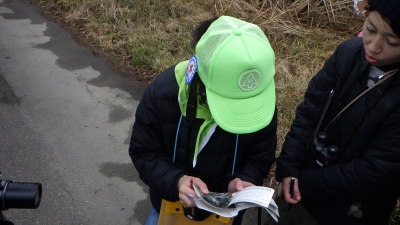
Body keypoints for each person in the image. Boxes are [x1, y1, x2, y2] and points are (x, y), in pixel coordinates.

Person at [128, 16, 277, 225]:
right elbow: (144, 152)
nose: (240, 110)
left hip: (226, 218)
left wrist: (243, 180)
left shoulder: (259, 102)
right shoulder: (164, 94)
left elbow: (260, 157)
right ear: (201, 76)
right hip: (169, 208)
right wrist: (177, 181)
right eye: (230, 103)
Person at [271, 0, 400, 224]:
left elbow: (377, 171)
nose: (374, 46)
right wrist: (289, 168)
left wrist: (304, 182)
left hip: (354, 211)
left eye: (392, 41)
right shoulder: (347, 53)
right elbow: (309, 112)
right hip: (300, 189)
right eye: (370, 29)